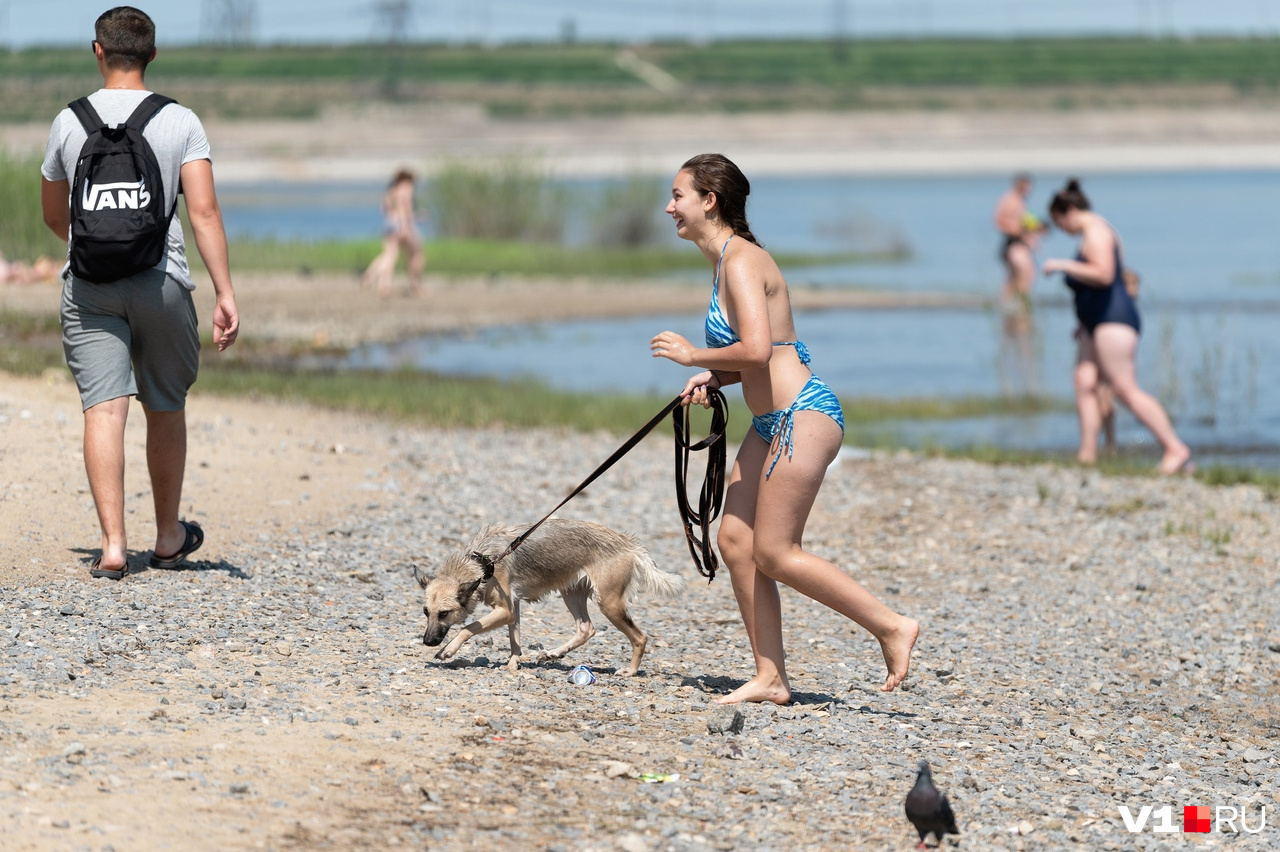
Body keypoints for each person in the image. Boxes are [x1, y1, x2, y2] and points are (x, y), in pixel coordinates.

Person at [650, 153, 919, 704]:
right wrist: (714, 376)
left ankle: (892, 626)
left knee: (774, 551)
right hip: (772, 420)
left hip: (803, 418)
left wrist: (690, 354)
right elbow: (757, 357)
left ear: (710, 200)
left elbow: (756, 348)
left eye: (678, 195)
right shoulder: (727, 261)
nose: (669, 206)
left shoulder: (743, 260)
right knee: (734, 538)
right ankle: (770, 677)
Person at [40, 6, 239, 579]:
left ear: (97, 51)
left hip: (89, 286)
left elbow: (57, 217)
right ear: (152, 55)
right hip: (163, 282)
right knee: (165, 405)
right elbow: (203, 212)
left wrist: (96, 245)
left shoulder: (67, 121)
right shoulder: (181, 122)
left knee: (103, 408)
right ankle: (170, 537)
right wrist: (225, 291)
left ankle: (111, 547)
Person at [1041, 178, 1191, 474]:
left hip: (1114, 319)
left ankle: (1175, 448)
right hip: (1093, 323)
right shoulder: (1088, 233)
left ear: (1070, 210)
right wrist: (1083, 323)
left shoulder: (1097, 232)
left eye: (1059, 222)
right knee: (1084, 381)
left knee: (1124, 389)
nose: (1060, 229)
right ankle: (1087, 455)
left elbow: (1105, 274)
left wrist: (1063, 265)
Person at [361, 168, 425, 298]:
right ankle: (415, 285)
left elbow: (383, 209)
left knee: (390, 255)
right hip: (401, 224)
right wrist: (408, 226)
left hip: (389, 224)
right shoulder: (406, 189)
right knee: (416, 255)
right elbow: (406, 210)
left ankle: (379, 281)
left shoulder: (390, 191)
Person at [994, 172, 1047, 309]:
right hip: (1013, 244)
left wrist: (1035, 230)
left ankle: (1008, 306)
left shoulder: (1020, 200)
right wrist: (1022, 232)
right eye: (1027, 186)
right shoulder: (1010, 200)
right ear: (1020, 185)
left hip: (1018, 243)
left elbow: (1022, 222)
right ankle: (1020, 304)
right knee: (1026, 273)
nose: (1029, 190)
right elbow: (999, 221)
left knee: (1014, 277)